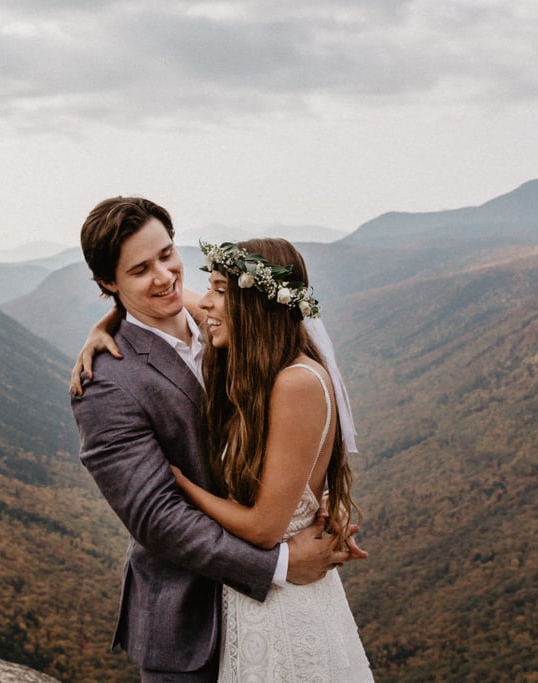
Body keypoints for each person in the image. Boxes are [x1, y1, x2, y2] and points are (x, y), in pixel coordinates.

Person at [70, 197, 358, 682]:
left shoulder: (227, 326)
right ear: (108, 283)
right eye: (140, 269)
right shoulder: (105, 385)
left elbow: (296, 430)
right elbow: (156, 518)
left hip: (275, 619)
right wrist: (280, 565)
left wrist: (319, 497)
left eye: (166, 254)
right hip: (189, 626)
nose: (163, 276)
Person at [174, 238, 374, 681]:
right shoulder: (269, 372)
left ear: (256, 303)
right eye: (210, 288)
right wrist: (107, 323)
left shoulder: (295, 383)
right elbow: (170, 300)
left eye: (221, 291)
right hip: (256, 601)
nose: (206, 303)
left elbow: (264, 528)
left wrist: (184, 487)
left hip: (287, 610)